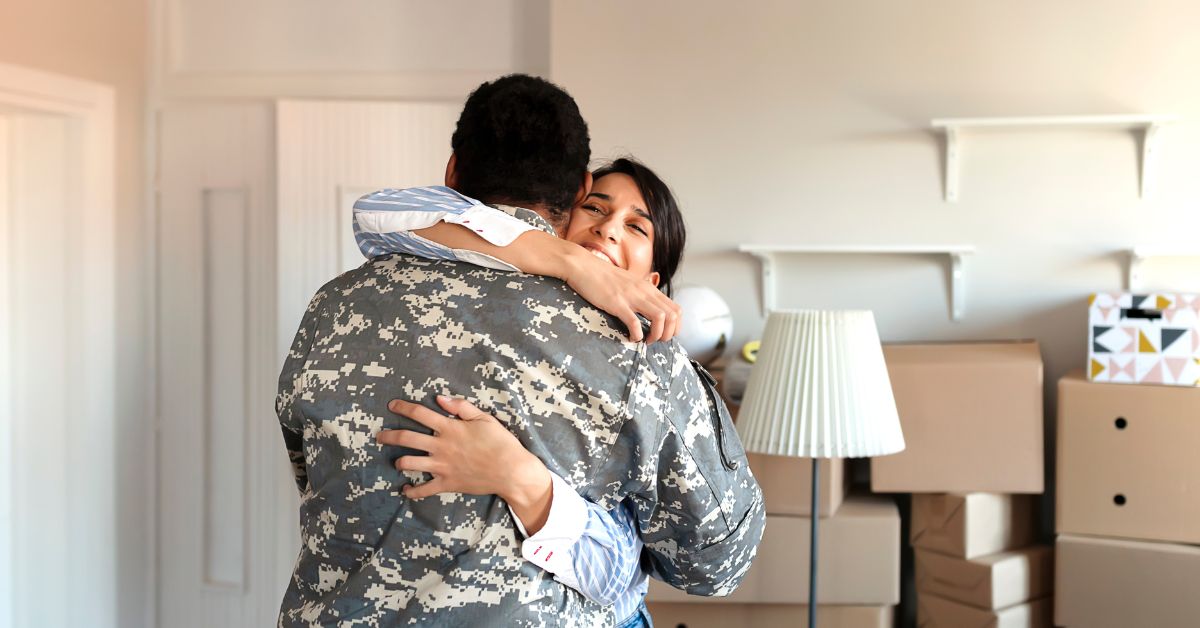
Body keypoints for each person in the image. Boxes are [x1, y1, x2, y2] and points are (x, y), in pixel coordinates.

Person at [277, 74, 764, 627]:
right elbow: (720, 560)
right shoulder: (631, 345)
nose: (607, 234)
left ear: (452, 172)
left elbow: (313, 471)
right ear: (581, 190)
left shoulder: (333, 307)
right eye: (600, 209)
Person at [355, 157, 692, 626]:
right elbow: (377, 213)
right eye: (595, 208)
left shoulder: (637, 378)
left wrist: (519, 477)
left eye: (637, 228)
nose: (608, 230)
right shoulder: (503, 290)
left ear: (652, 285)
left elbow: (616, 575)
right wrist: (567, 260)